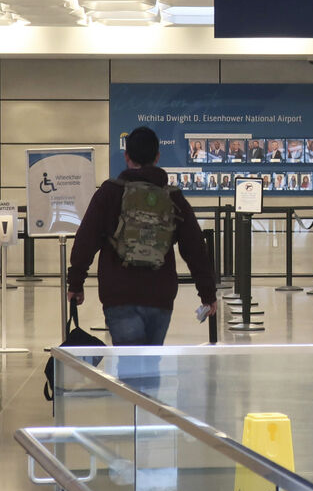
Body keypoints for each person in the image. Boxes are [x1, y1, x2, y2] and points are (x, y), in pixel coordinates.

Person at [67, 126, 217, 346]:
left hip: (119, 294)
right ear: (157, 157)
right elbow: (195, 248)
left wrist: (76, 283)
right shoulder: (173, 197)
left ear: (127, 157)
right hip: (160, 295)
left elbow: (85, 240)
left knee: (129, 368)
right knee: (150, 366)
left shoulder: (110, 192)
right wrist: (207, 293)